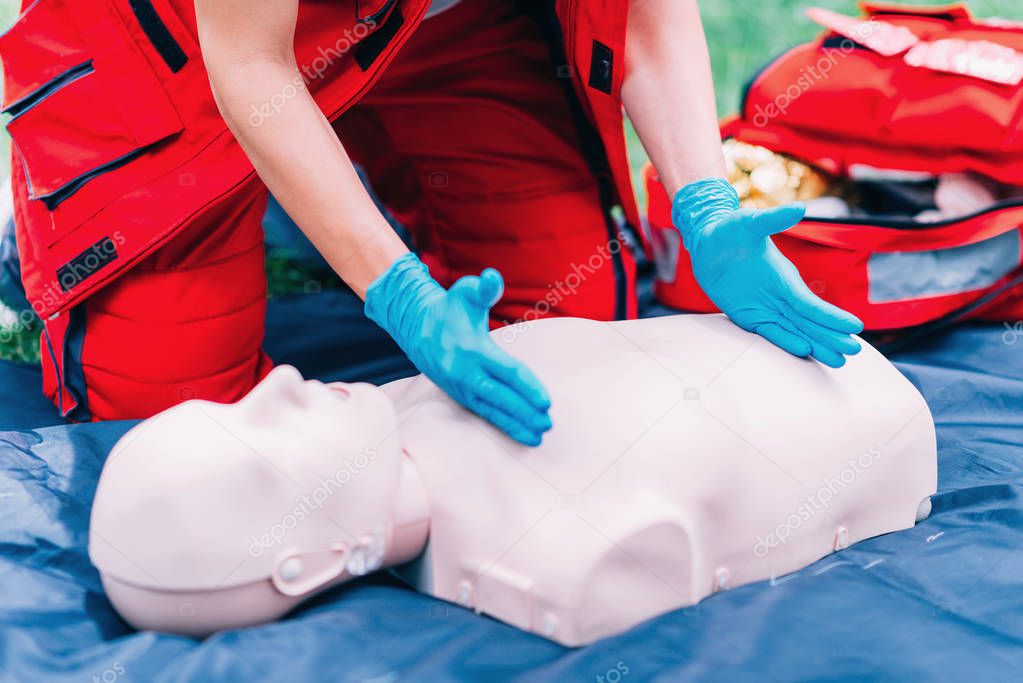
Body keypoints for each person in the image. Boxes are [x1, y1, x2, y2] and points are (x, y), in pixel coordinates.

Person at [1, 0, 862, 445]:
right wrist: (398, 288)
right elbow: (251, 66)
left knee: (570, 326)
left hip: (448, 30)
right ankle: (46, 232)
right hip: (195, 50)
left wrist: (704, 203)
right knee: (174, 436)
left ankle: (332, 184)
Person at [90, 313, 933, 645]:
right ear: (301, 565)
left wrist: (699, 196)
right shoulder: (562, 555)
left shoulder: (396, 409)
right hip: (866, 402)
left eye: (239, 405)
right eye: (264, 445)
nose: (277, 385)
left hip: (841, 372)